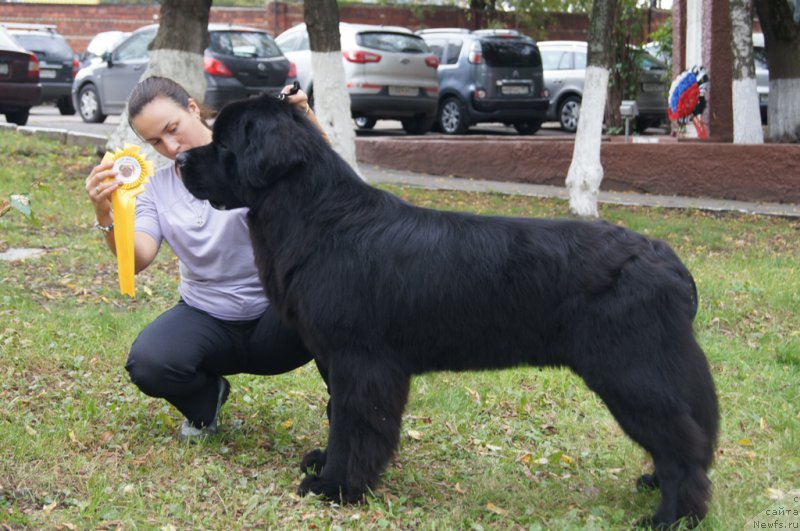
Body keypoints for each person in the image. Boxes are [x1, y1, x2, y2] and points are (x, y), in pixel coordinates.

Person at [85, 76, 326, 441]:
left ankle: (349, 421)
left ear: (193, 108)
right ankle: (206, 401)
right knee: (149, 362)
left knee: (334, 303)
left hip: (277, 319)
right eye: (154, 141)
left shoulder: (254, 152)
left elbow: (324, 175)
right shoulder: (156, 188)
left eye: (172, 128)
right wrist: (106, 216)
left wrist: (304, 115)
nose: (169, 146)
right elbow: (137, 259)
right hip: (208, 319)